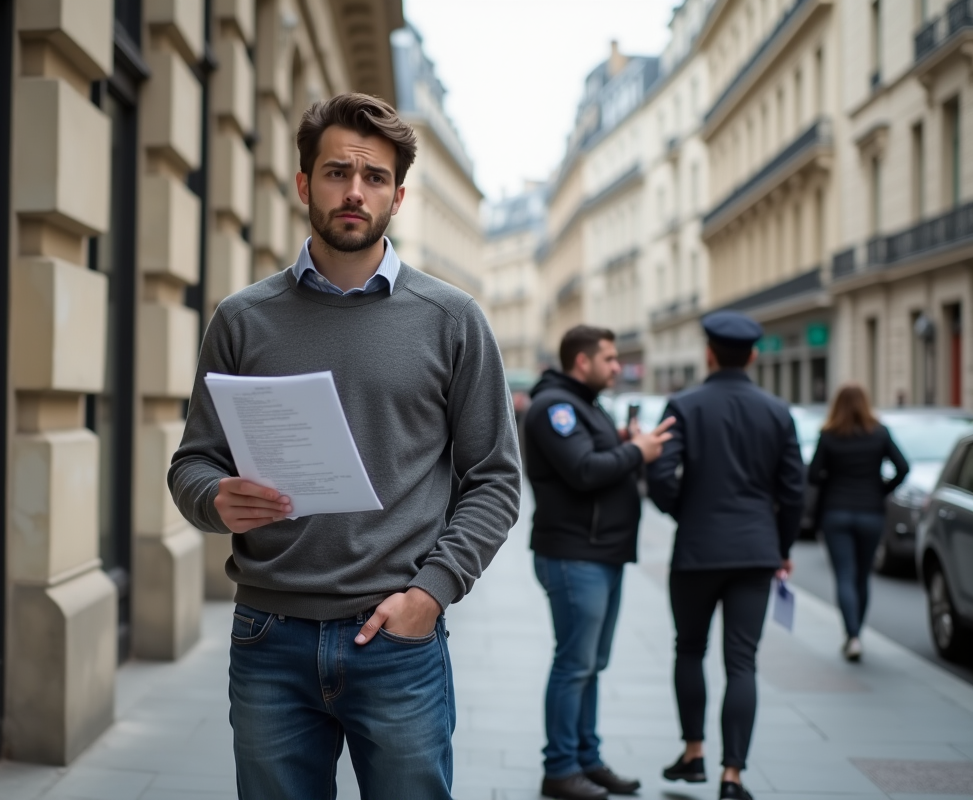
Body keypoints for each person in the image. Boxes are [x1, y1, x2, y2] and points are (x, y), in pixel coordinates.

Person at [168, 92, 522, 800]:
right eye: (335, 173)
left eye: (375, 178)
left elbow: (495, 480)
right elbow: (193, 462)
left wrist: (432, 593)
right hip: (268, 637)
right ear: (303, 184)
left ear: (397, 196)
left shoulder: (453, 320)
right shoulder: (242, 319)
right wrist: (215, 498)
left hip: (396, 636)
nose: (354, 192)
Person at [647, 311, 804, 800]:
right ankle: (732, 776)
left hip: (697, 550)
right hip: (757, 552)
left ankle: (693, 753)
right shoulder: (778, 411)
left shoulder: (684, 405)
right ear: (754, 355)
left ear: (709, 353)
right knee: (743, 663)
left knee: (689, 649)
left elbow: (657, 477)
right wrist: (781, 546)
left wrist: (683, 512)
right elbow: (795, 490)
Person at [524, 326, 674, 800]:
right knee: (575, 663)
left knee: (591, 663)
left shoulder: (587, 405)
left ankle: (587, 759)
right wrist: (637, 450)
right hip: (574, 554)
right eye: (609, 359)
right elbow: (584, 471)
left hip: (601, 552)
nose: (617, 366)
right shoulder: (556, 408)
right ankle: (561, 768)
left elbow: (597, 458)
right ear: (582, 361)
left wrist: (624, 442)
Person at [808, 383, 908, 661]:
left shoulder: (829, 435)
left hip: (836, 512)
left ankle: (851, 636)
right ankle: (857, 634)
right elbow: (903, 468)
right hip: (870, 512)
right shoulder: (879, 433)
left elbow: (814, 475)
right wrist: (881, 488)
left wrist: (832, 479)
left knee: (844, 576)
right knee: (862, 577)